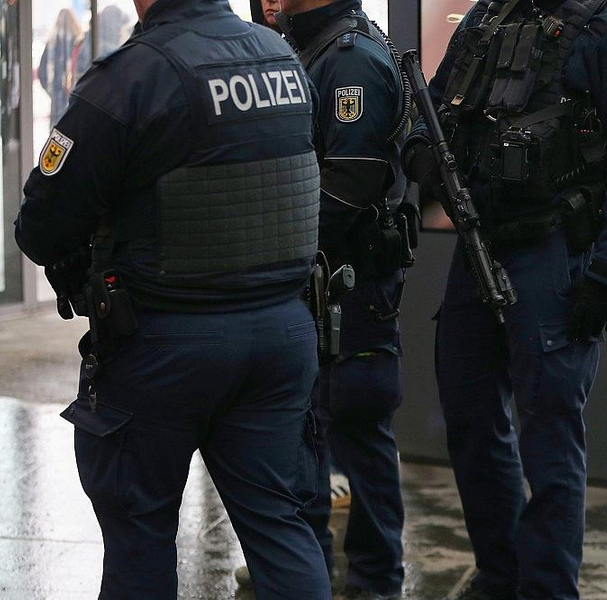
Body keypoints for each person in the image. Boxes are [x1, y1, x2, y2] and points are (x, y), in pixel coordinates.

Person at [15, 0, 330, 597]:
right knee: (279, 526)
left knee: (139, 530)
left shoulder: (131, 77)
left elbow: (41, 226)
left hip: (165, 344)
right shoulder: (282, 58)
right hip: (281, 336)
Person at [403, 1, 607, 599]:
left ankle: (548, 589)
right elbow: (435, 104)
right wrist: (422, 150)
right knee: (471, 422)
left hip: (555, 253)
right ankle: (502, 577)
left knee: (549, 436)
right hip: (480, 246)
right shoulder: (489, 17)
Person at [249, 1, 411, 598]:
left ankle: (374, 580)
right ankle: (307, 568)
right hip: (317, 283)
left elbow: (351, 182)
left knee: (359, 435)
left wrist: (271, 238)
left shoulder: (349, 60)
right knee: (306, 433)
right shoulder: (309, 47)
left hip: (349, 286)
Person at [37, 8, 84, 128]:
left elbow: (42, 72)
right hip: (75, 94)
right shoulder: (79, 42)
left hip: (57, 94)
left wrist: (50, 90)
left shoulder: (51, 43)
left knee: (57, 130)